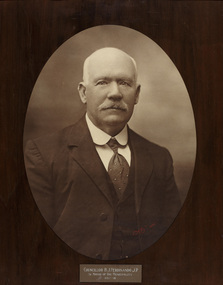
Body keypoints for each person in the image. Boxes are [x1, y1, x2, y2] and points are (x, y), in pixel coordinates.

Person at [24, 47, 181, 260]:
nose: (115, 93)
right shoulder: (43, 154)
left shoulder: (159, 158)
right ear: (83, 92)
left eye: (124, 83)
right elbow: (34, 244)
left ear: (137, 94)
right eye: (102, 82)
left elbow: (173, 240)